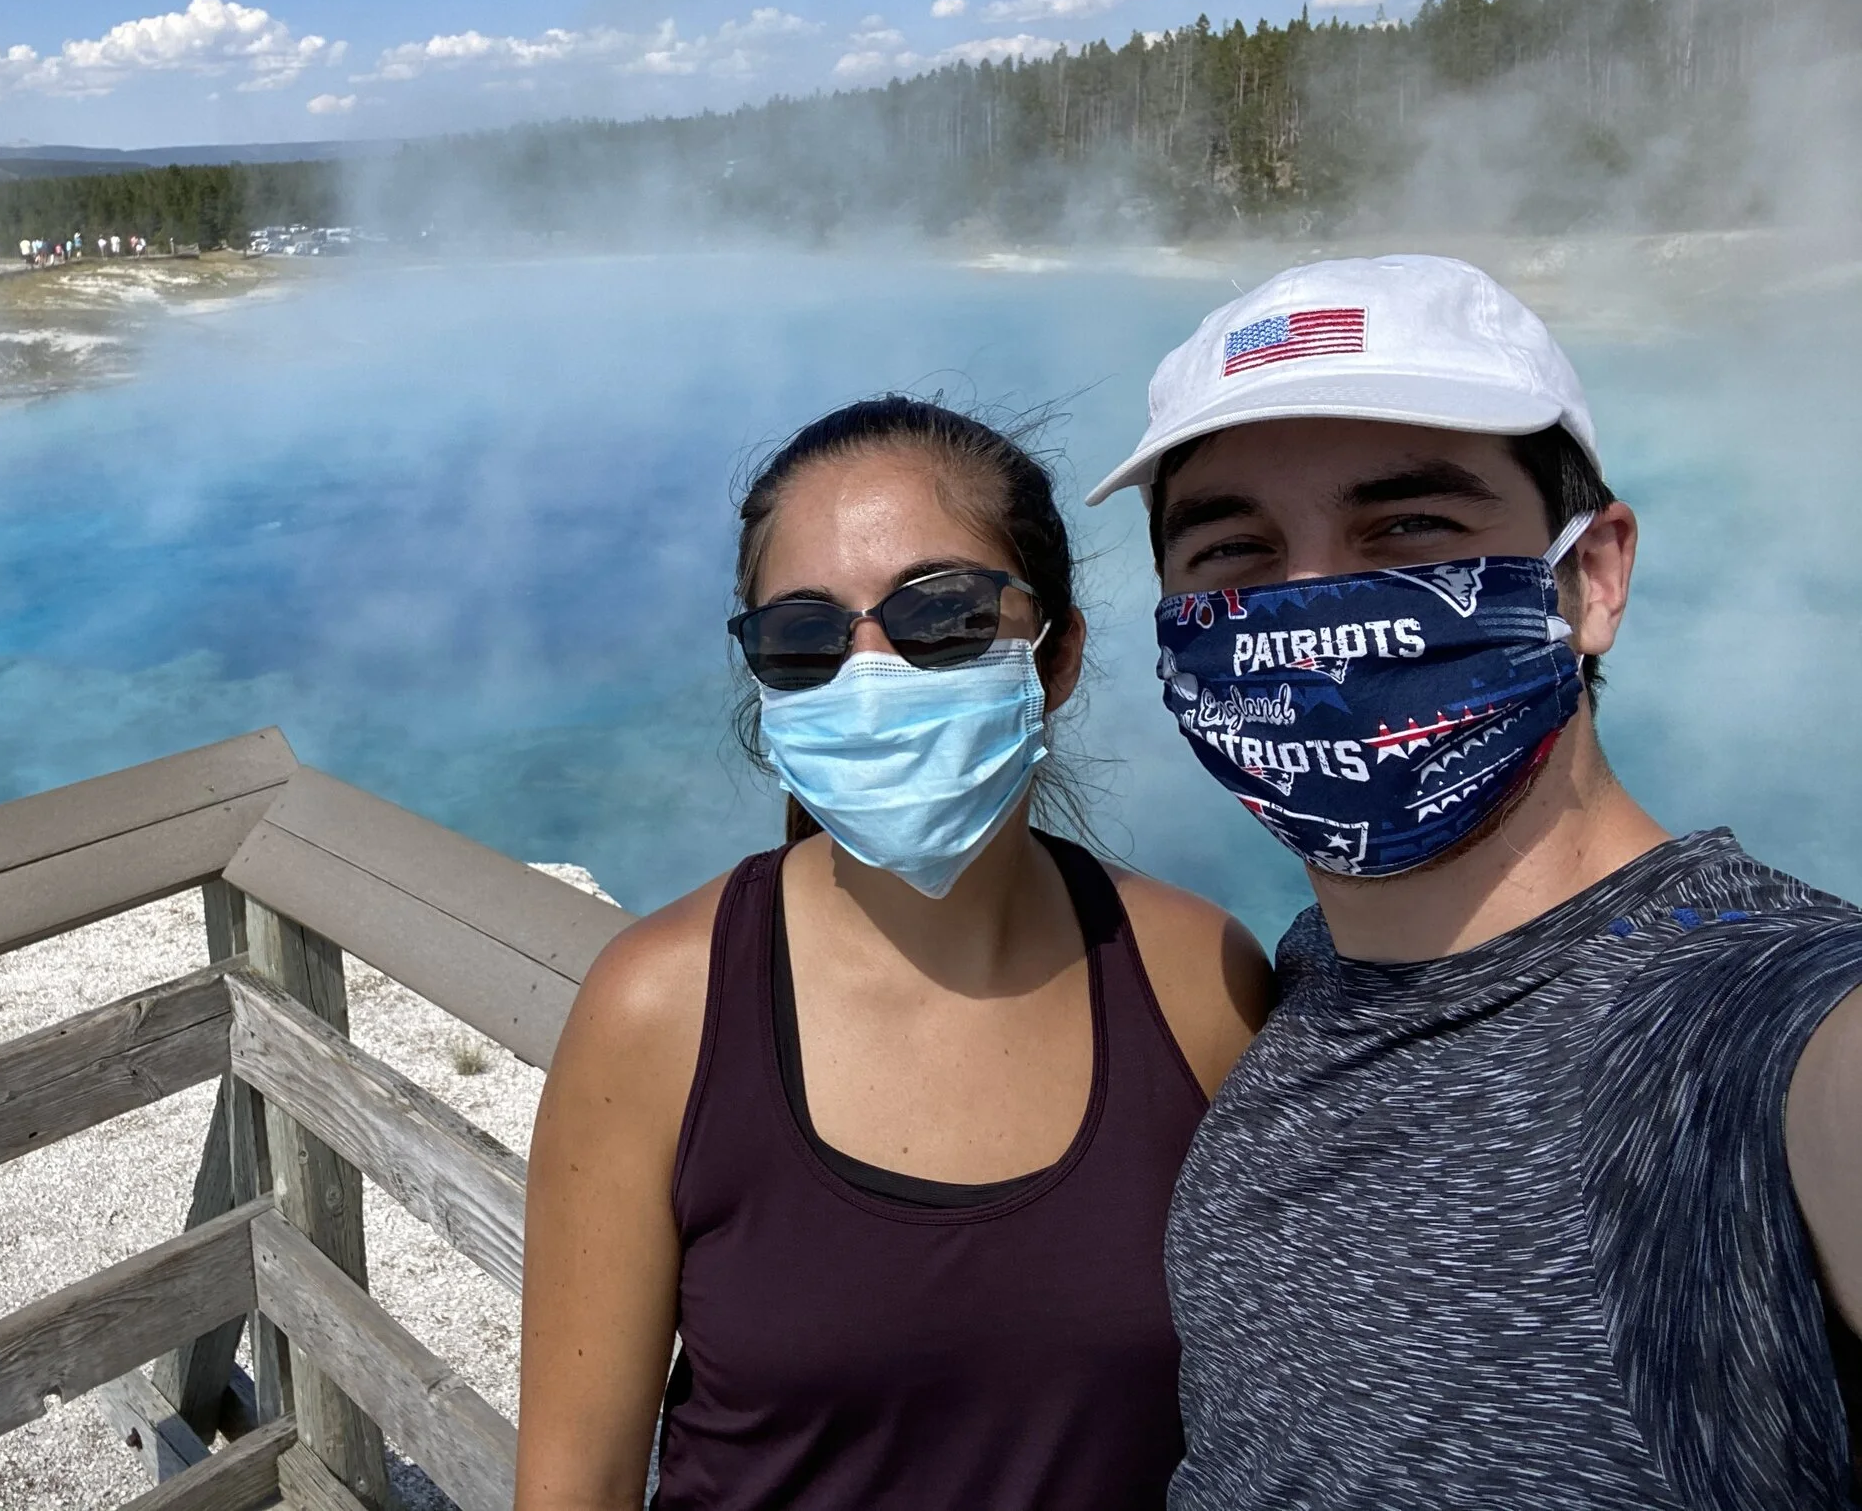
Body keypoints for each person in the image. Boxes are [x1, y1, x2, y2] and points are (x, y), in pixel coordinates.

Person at [1084, 253, 1862, 1509]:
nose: (1311, 601)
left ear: (1591, 577)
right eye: (1233, 549)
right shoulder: (1299, 992)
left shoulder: (1761, 1014)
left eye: (1408, 529)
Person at [517, 396, 1272, 1511]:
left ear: (1056, 652)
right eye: (805, 638)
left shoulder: (1200, 980)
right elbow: (572, 1486)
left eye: (946, 616)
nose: (871, 676)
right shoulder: (660, 1011)